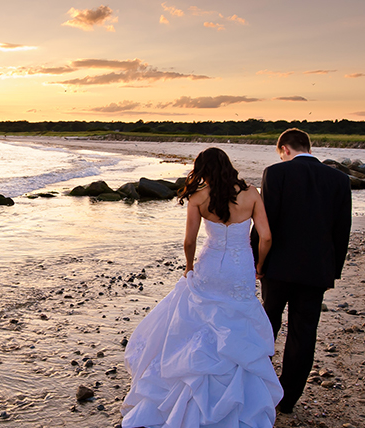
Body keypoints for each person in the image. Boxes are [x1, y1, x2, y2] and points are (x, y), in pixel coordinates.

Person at [122, 147, 283, 428]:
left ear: (203, 169)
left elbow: (189, 241)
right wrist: (259, 266)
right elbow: (266, 237)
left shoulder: (198, 197)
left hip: (210, 267)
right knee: (237, 326)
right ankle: (238, 398)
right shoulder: (252, 193)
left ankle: (194, 387)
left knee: (202, 324)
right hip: (240, 268)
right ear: (228, 166)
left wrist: (188, 266)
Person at [256, 128, 351, 414]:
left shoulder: (275, 174)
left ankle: (257, 387)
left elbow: (265, 225)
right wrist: (333, 270)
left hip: (278, 268)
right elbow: (341, 230)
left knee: (265, 326)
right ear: (308, 146)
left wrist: (256, 262)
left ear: (284, 148)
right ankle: (287, 400)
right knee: (304, 333)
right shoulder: (339, 179)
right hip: (316, 271)